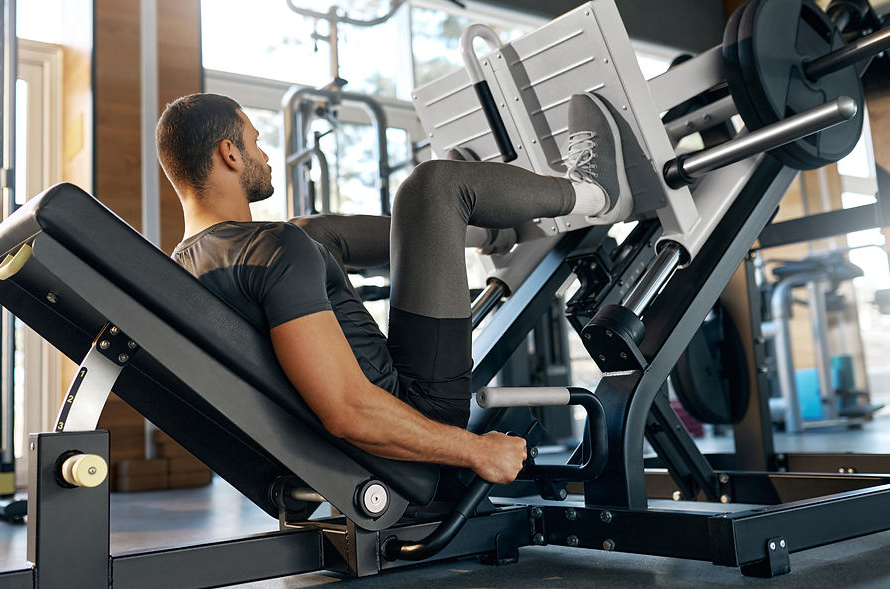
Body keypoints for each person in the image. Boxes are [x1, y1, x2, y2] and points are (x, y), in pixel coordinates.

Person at [157, 92, 629, 485]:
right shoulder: (273, 249)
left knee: (311, 231)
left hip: (353, 420)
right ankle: (595, 192)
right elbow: (347, 410)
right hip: (415, 406)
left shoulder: (189, 263)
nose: (263, 155)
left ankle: (476, 225)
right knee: (435, 185)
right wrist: (476, 451)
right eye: (255, 144)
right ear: (230, 154)